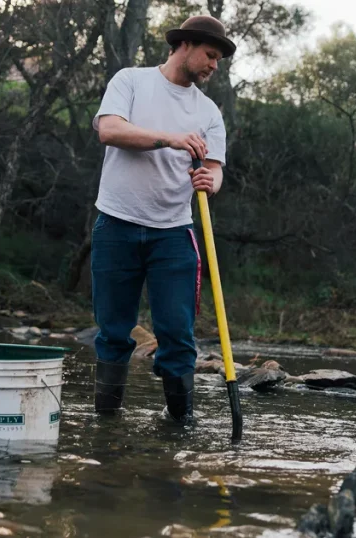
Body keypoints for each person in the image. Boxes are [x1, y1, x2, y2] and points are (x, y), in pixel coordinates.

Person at [88, 15, 235, 425]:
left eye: (219, 60)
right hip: (115, 225)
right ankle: (106, 426)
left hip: (173, 234)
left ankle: (179, 426)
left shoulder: (209, 112)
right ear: (184, 45)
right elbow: (109, 130)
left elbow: (215, 169)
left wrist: (211, 181)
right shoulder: (131, 81)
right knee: (114, 331)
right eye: (210, 55)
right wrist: (171, 139)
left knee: (176, 333)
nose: (214, 65)